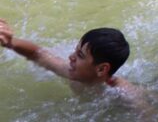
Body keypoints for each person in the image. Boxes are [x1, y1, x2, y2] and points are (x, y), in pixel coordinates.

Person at [0, 20, 149, 114]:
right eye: (75, 51)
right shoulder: (73, 72)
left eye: (80, 55)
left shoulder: (123, 94)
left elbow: (149, 116)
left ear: (101, 69)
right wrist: (10, 42)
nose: (71, 57)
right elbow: (38, 54)